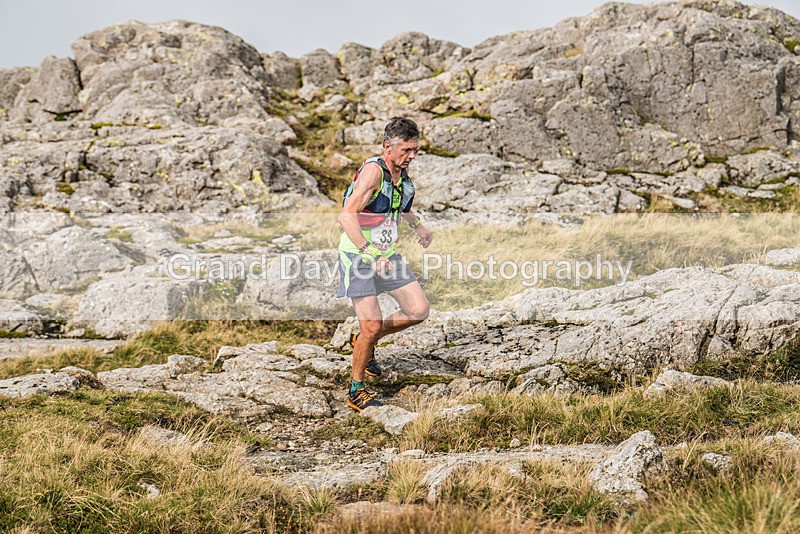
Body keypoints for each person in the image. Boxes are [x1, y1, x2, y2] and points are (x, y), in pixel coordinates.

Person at [336, 116, 433, 412]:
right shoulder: (373, 173)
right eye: (406, 150)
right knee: (372, 323)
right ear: (387, 147)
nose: (412, 156)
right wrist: (370, 253)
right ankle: (356, 390)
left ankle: (364, 340)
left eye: (415, 150)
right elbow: (346, 215)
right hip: (359, 257)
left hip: (386, 255)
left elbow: (400, 205)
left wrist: (418, 226)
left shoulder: (401, 175)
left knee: (418, 310)